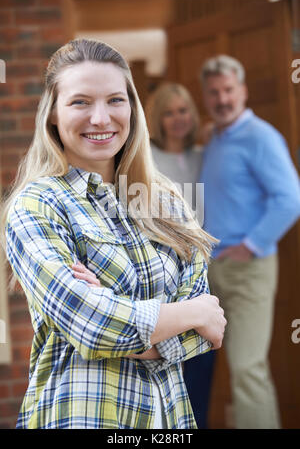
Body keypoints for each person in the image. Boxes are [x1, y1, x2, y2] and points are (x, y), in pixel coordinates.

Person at [1, 39, 226, 430]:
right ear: (52, 114)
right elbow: (90, 323)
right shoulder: (38, 205)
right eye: (80, 102)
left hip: (168, 420)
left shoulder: (168, 202)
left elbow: (208, 335)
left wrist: (111, 318)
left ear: (133, 109)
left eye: (115, 100)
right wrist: (190, 314)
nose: (101, 118)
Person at [199, 54, 300, 429]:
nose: (222, 99)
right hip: (213, 270)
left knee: (247, 369)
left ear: (242, 91)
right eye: (214, 92)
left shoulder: (261, 137)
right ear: (206, 97)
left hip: (248, 270)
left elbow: (290, 199)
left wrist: (251, 245)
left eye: (228, 90)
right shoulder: (215, 137)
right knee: (214, 367)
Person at [146, 82, 215, 428]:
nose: (177, 119)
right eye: (169, 112)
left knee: (200, 363)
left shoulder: (205, 156)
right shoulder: (145, 159)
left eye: (183, 110)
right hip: (163, 276)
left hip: (203, 274)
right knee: (166, 362)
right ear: (157, 118)